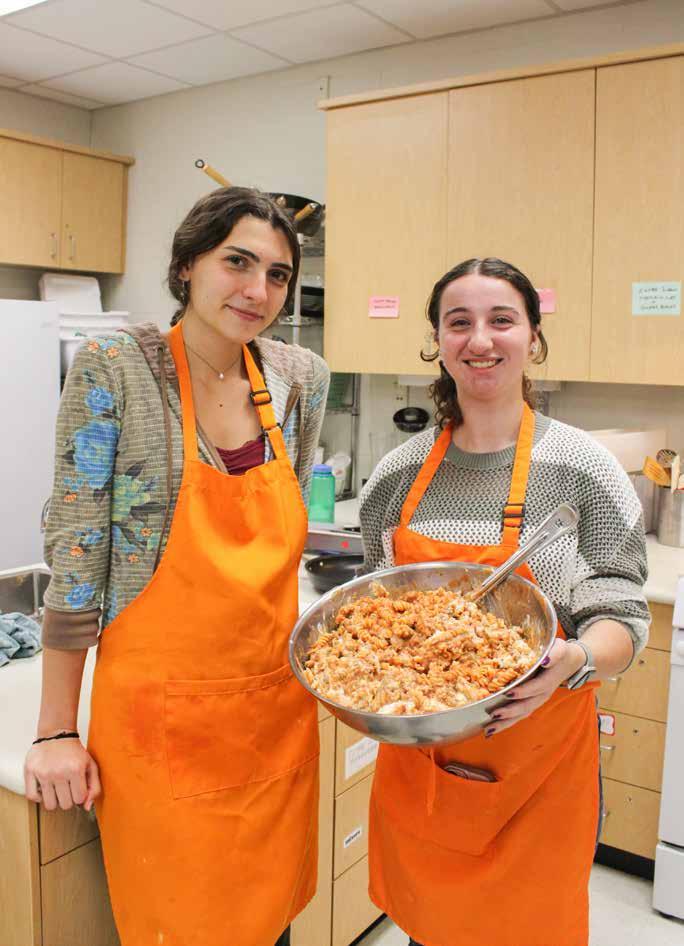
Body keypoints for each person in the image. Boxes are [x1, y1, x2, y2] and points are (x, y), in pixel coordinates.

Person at [24, 186, 330, 946]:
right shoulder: (118, 369)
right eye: (238, 262)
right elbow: (78, 553)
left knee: (272, 925)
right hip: (160, 729)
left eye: (279, 274)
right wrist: (56, 729)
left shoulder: (299, 378)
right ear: (188, 264)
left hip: (274, 717)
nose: (258, 290)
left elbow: (285, 520)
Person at [359, 257, 649, 946]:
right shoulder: (396, 474)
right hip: (424, 767)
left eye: (502, 320)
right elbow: (371, 615)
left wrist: (574, 656)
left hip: (538, 770)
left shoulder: (584, 468)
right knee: (429, 928)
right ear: (438, 340)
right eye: (459, 322)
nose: (480, 339)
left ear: (533, 338)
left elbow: (623, 614)